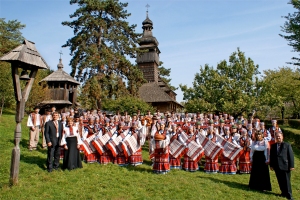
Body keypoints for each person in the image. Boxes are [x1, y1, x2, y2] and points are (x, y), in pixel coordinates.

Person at [270, 131, 294, 200]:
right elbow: (272, 156)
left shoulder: (287, 145)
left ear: (282, 137)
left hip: (285, 166)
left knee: (287, 181)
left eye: (279, 136)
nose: (278, 138)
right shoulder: (273, 146)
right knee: (280, 180)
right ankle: (283, 192)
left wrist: (291, 166)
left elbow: (291, 156)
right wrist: (271, 165)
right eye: (277, 137)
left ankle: (289, 195)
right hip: (277, 166)